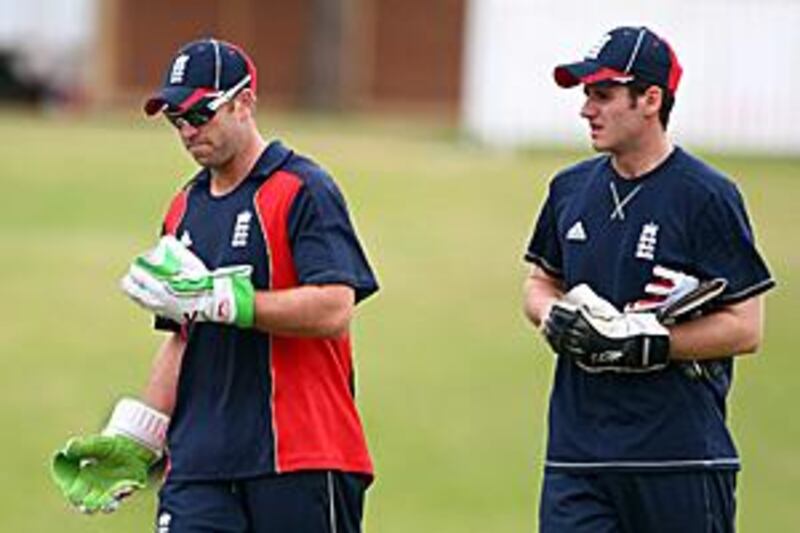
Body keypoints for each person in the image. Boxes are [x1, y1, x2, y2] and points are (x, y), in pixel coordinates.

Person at [51, 37, 379, 532]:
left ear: (245, 101)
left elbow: (334, 309)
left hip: (301, 455)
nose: (186, 130)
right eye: (175, 119)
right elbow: (182, 337)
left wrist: (221, 298)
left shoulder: (303, 189)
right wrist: (139, 436)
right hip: (198, 465)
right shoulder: (183, 209)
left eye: (200, 114)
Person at [522, 26, 774, 533]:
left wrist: (647, 343)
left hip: (678, 458)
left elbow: (746, 328)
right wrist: (555, 317)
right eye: (585, 95)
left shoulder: (707, 195)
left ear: (650, 99)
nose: (586, 110)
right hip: (578, 459)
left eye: (602, 94)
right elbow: (539, 282)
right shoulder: (569, 189)